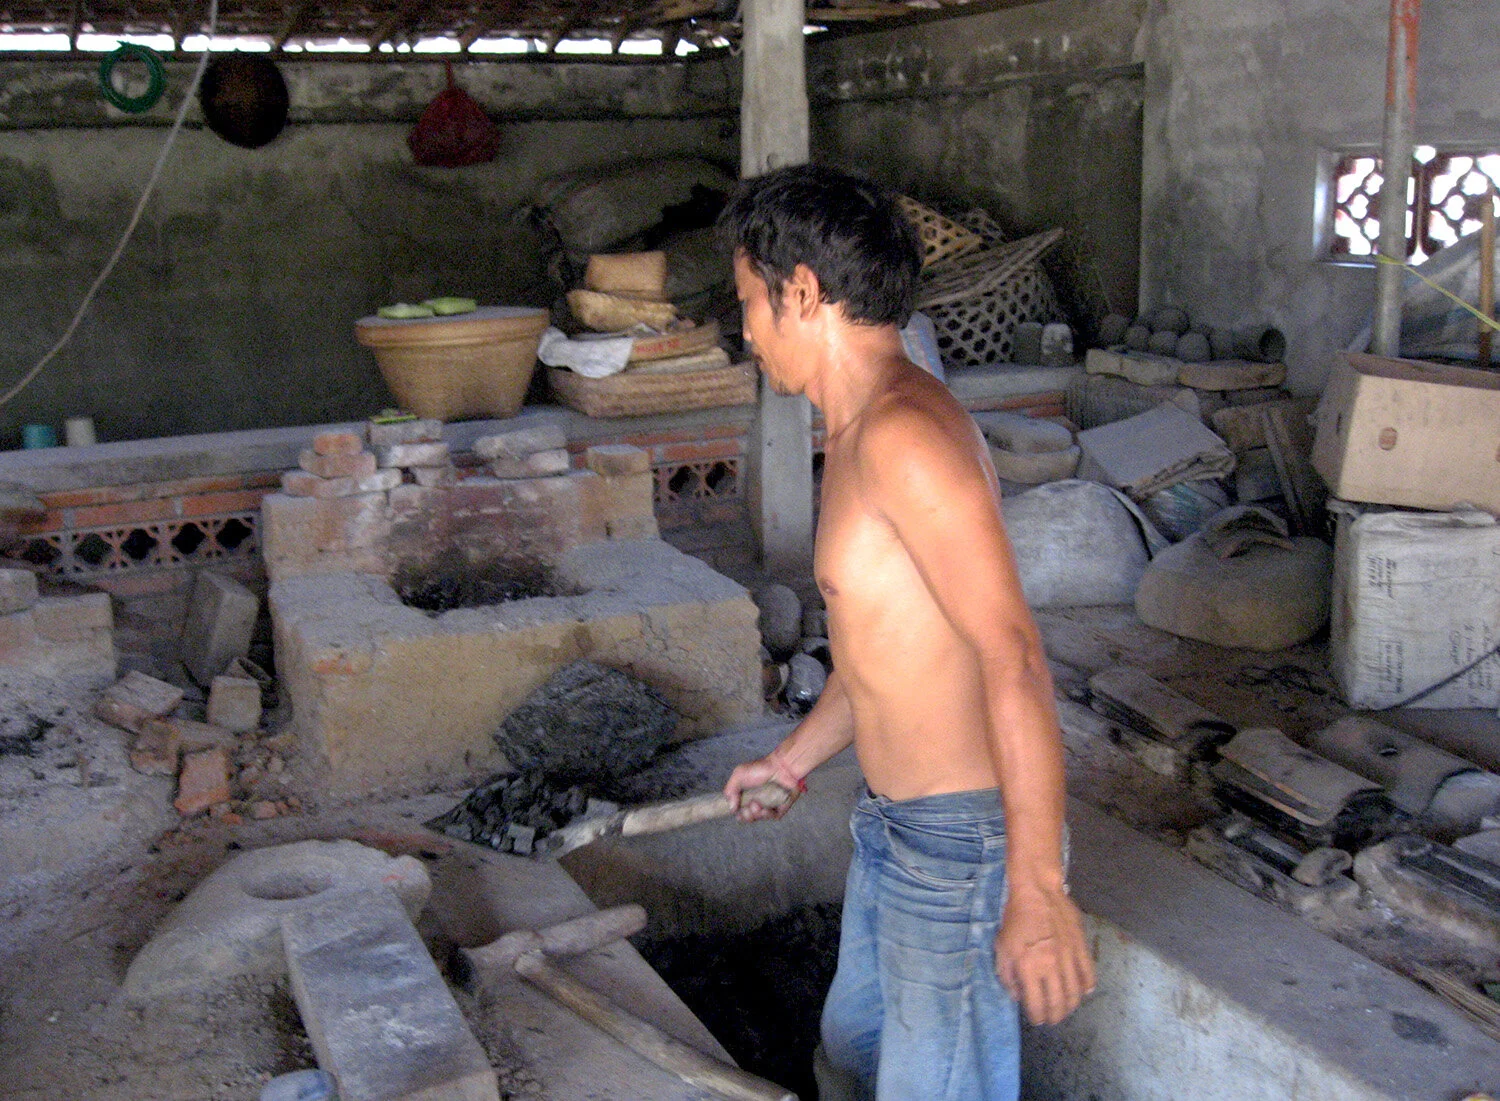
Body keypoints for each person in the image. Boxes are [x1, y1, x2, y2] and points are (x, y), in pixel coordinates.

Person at [718, 164, 1095, 1101]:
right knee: (853, 1053)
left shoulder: (905, 436)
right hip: (894, 829)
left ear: (800, 292)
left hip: (959, 844)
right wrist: (795, 758)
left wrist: (1037, 888)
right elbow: (881, 650)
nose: (747, 334)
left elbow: (1011, 653)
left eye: (749, 308)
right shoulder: (854, 432)